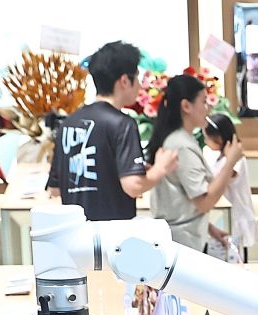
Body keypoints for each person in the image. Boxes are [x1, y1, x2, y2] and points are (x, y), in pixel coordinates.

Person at [48, 40, 177, 220]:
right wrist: (160, 168)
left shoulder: (68, 123)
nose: (140, 86)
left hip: (75, 235)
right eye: (137, 77)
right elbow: (133, 186)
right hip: (112, 237)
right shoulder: (122, 124)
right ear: (124, 80)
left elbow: (55, 188)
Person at [146, 74, 242, 252]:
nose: (208, 108)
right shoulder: (180, 145)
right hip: (182, 244)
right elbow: (204, 202)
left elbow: (186, 200)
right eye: (204, 102)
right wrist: (230, 162)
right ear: (186, 106)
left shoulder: (182, 140)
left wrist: (209, 229)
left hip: (185, 239)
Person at [203, 114, 258, 262]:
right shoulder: (220, 157)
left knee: (234, 261)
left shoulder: (236, 158)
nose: (205, 141)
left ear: (219, 138)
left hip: (235, 218)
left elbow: (219, 180)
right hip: (222, 218)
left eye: (207, 137)